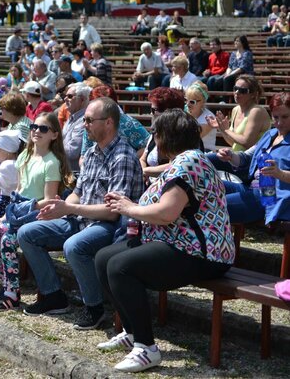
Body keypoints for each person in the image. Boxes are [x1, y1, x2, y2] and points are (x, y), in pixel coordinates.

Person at [98, 109, 234, 373]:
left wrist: (128, 208)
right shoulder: (185, 160)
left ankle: (146, 348)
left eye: (155, 134)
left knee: (120, 266)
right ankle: (132, 330)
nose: (153, 139)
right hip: (183, 245)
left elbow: (166, 212)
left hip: (204, 254)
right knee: (104, 257)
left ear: (165, 137)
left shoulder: (188, 163)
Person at [17, 97, 144, 326]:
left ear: (108, 123)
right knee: (27, 232)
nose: (84, 124)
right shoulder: (94, 152)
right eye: (84, 120)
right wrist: (60, 208)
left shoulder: (123, 156)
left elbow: (113, 212)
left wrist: (70, 207)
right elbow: (78, 192)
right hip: (82, 218)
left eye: (88, 120)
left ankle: (94, 308)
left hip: (110, 226)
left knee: (74, 246)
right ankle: (53, 295)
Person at [0, 112, 70, 311]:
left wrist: (27, 208)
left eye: (43, 129)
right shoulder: (24, 156)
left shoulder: (52, 162)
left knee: (7, 240)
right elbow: (19, 191)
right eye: (34, 127)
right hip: (19, 212)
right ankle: (8, 287)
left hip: (36, 215)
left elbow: (49, 199)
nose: (37, 131)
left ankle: (11, 296)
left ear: (54, 135)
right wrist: (6, 215)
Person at [216, 92, 290, 226]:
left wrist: (279, 173)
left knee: (215, 204)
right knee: (207, 185)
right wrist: (231, 156)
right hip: (250, 188)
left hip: (270, 196)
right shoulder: (270, 134)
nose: (279, 122)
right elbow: (247, 157)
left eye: (285, 117)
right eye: (275, 117)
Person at [207, 74, 271, 155]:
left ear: (253, 94)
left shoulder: (256, 111)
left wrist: (226, 130)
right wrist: (221, 128)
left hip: (251, 160)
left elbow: (247, 142)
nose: (237, 92)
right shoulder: (235, 109)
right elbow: (234, 143)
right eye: (235, 89)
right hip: (236, 158)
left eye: (242, 90)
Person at [140, 88, 186, 179]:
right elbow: (143, 159)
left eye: (154, 110)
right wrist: (144, 174)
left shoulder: (182, 136)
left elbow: (174, 167)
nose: (151, 113)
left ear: (167, 112)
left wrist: (145, 171)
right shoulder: (155, 133)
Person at [62, 82, 90, 174]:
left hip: (75, 175)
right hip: (65, 171)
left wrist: (51, 144)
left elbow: (72, 152)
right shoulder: (72, 117)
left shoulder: (85, 121)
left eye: (70, 96)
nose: (65, 99)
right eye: (65, 95)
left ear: (82, 99)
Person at [185, 82, 217, 151]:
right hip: (191, 152)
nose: (187, 104)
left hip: (206, 153)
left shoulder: (209, 117)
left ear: (203, 102)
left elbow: (192, 139)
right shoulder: (186, 114)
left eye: (192, 102)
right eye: (186, 100)